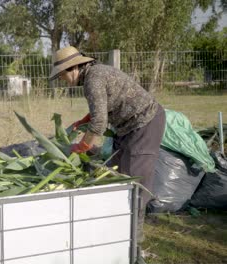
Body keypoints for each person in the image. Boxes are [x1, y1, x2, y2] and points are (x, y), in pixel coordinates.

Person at [50, 46, 166, 263]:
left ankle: (133, 248)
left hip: (144, 124)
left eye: (63, 75)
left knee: (134, 184)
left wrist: (82, 147)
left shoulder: (93, 79)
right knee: (119, 177)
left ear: (74, 68)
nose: (63, 80)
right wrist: (84, 120)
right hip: (128, 126)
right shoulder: (95, 74)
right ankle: (120, 235)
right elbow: (101, 107)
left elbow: (100, 124)